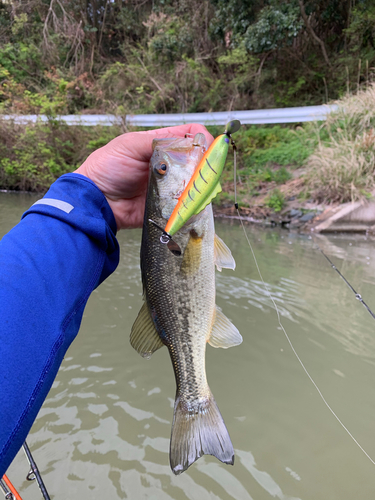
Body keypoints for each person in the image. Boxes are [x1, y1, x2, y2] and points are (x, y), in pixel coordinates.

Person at [0, 124, 213, 478]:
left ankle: (195, 404)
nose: (166, 165)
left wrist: (92, 195)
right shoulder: (188, 230)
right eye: (162, 170)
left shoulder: (187, 229)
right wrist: (90, 196)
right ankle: (195, 401)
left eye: (161, 170)